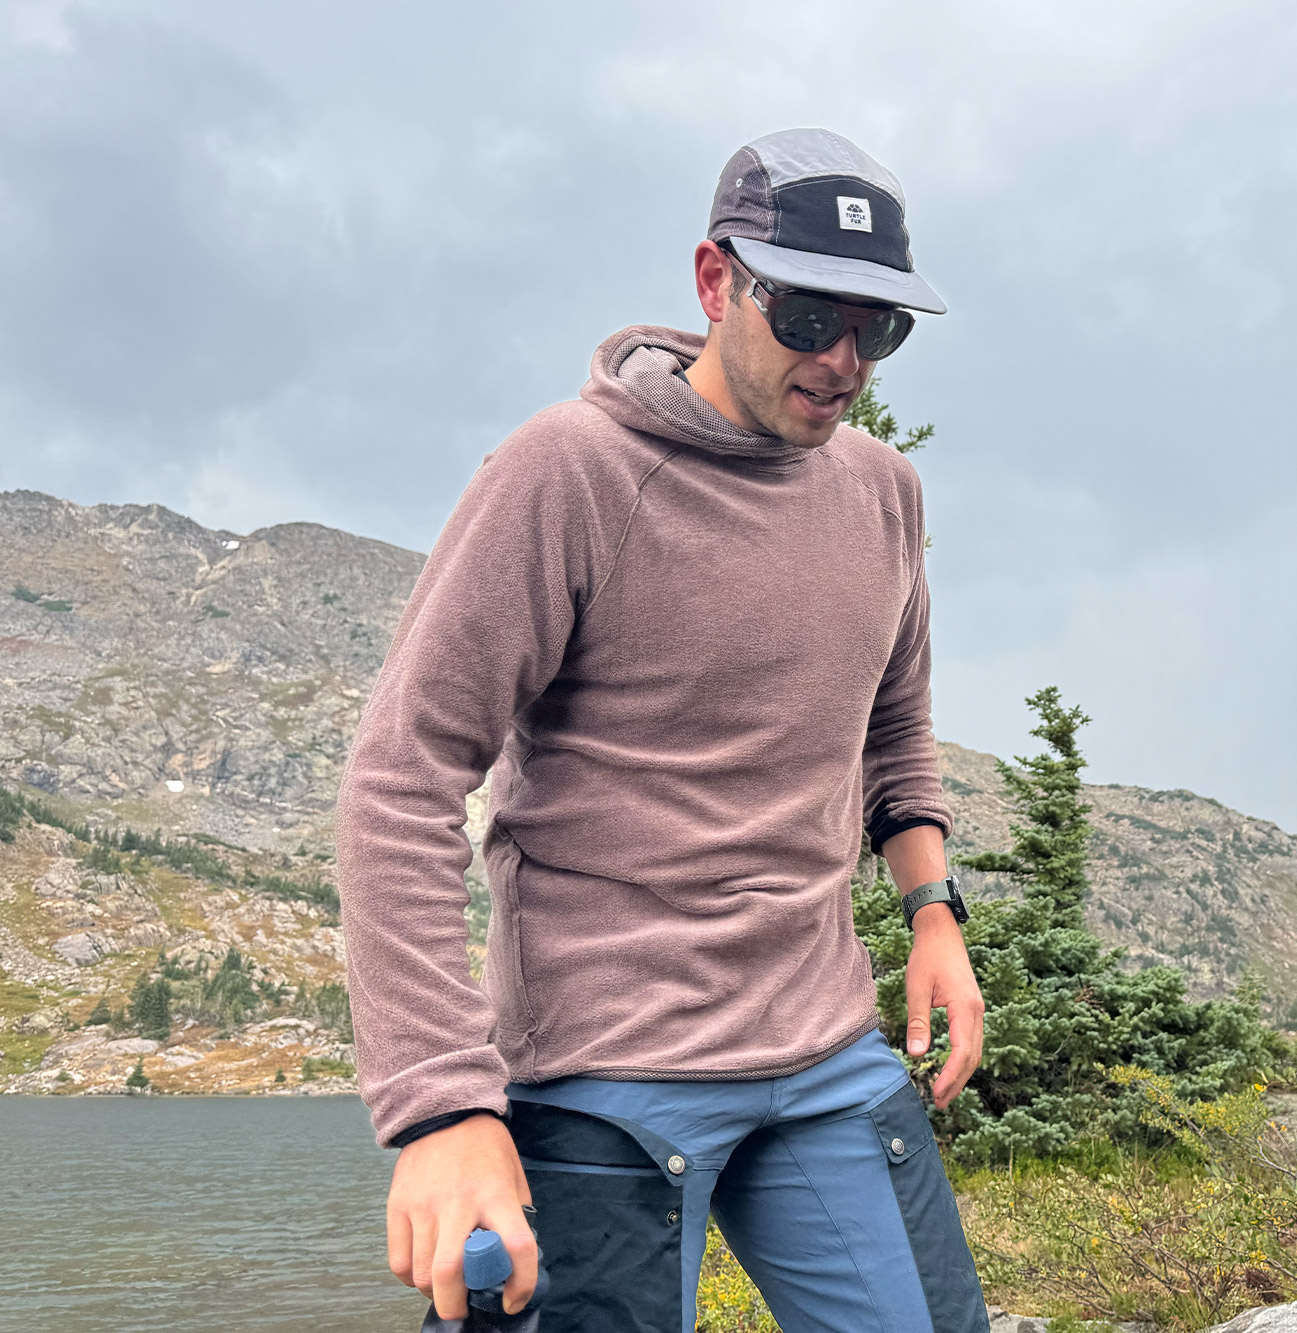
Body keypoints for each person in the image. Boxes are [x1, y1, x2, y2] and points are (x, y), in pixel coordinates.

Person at [336, 128, 988, 1333]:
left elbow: (894, 725)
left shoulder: (884, 492)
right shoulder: (568, 472)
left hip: (826, 1046)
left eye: (877, 330)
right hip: (605, 1069)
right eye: (807, 315)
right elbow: (401, 776)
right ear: (714, 280)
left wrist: (932, 914)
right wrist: (441, 1107)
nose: (840, 360)